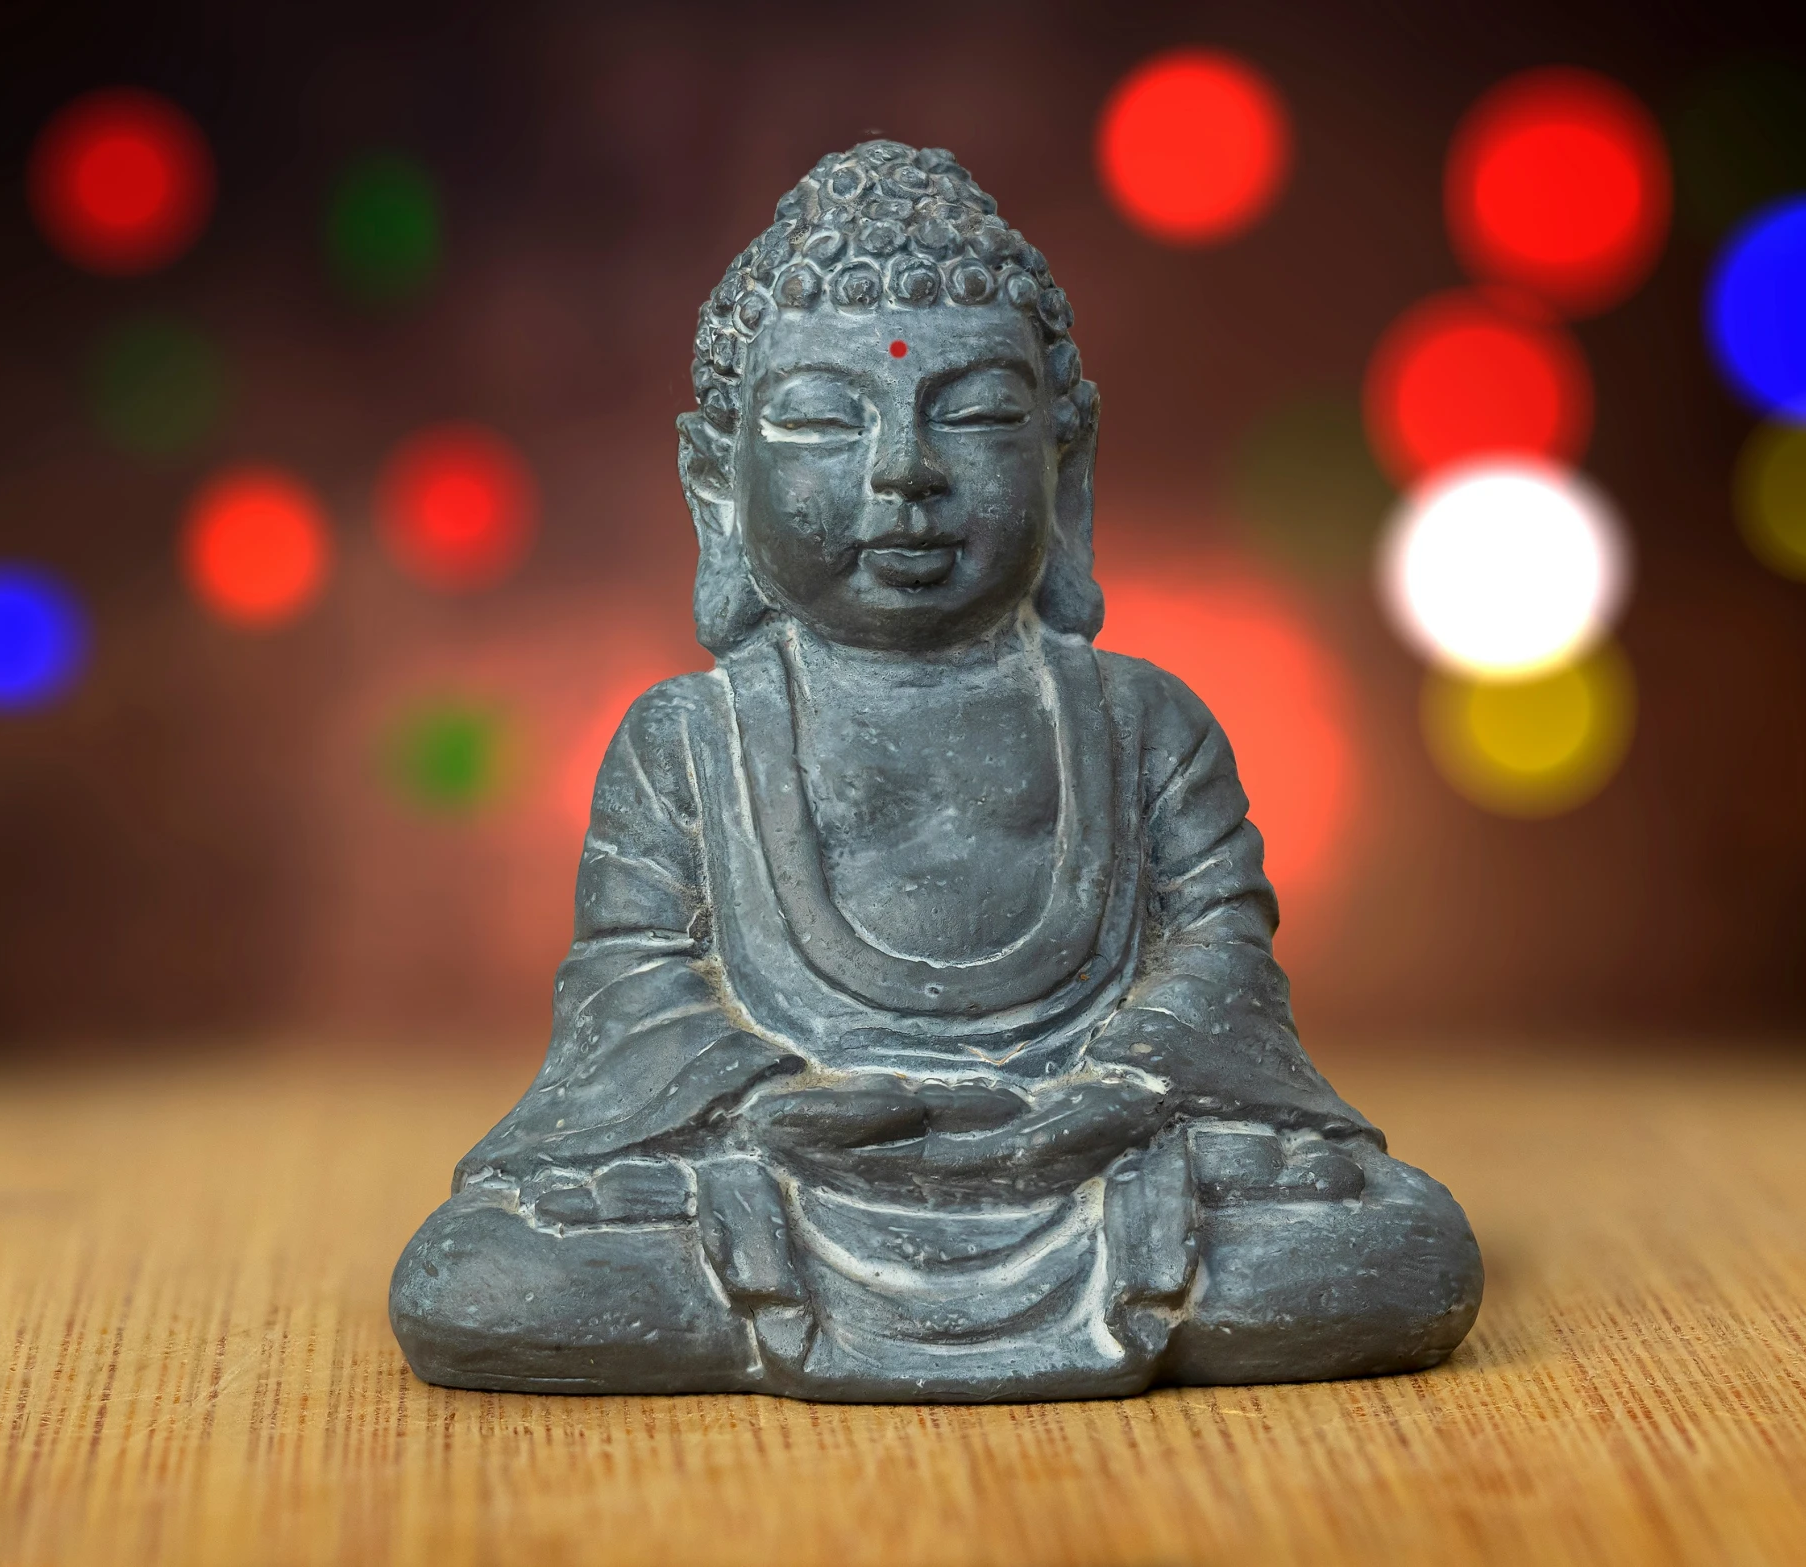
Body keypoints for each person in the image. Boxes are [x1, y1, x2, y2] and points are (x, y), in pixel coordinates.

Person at [390, 141, 1481, 1402]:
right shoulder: (683, 742)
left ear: (1065, 466)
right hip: (781, 1180)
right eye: (820, 418)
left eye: (972, 416)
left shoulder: (1144, 724)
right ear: (717, 482)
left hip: (1108, 1172)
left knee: (1395, 1248)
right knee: (485, 1282)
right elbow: (633, 993)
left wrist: (1119, 1091)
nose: (903, 471)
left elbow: (1220, 964)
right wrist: (769, 1100)